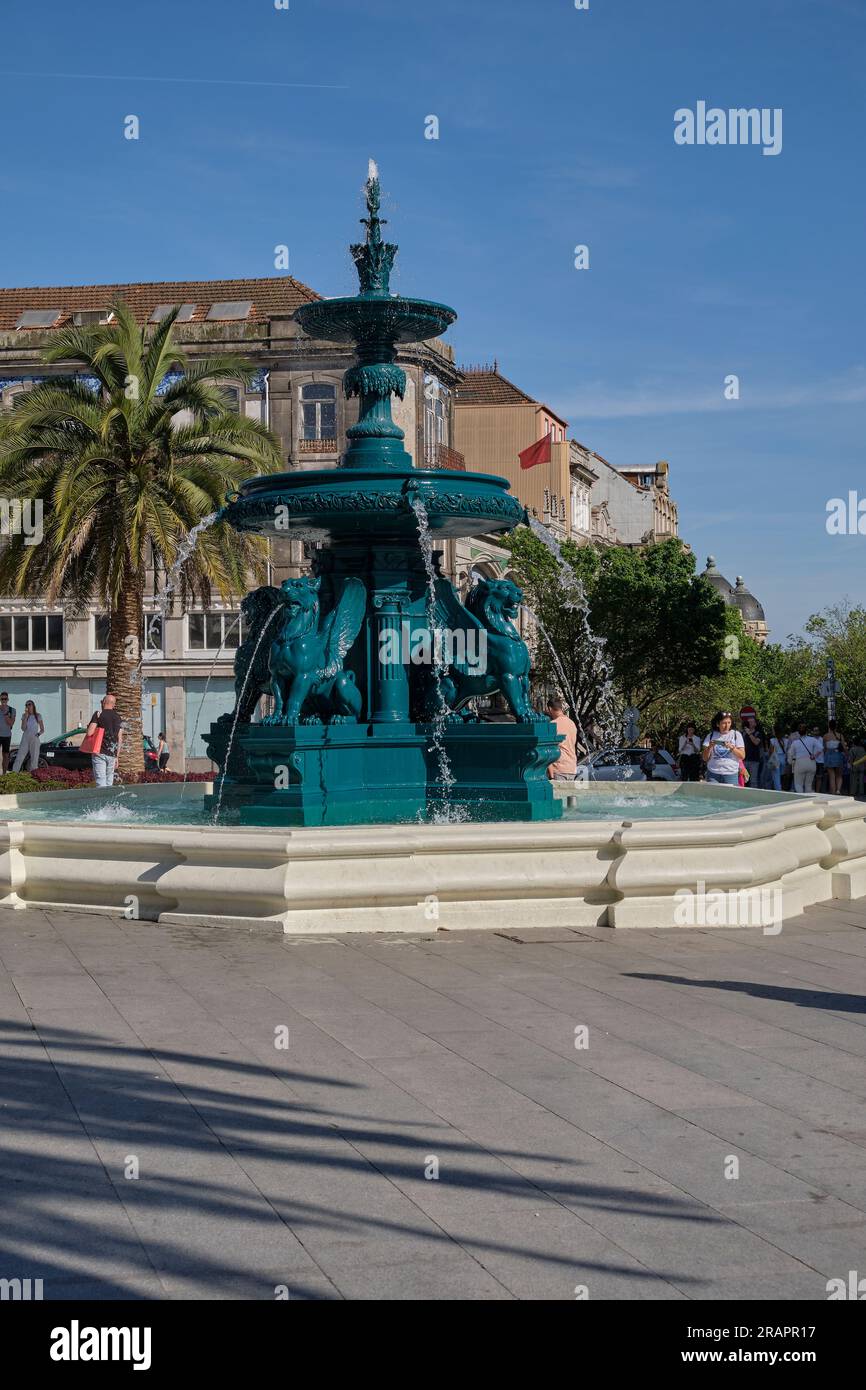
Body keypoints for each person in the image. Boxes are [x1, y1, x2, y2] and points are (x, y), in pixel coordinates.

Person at [86, 694, 124, 787]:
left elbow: (89, 733)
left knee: (100, 781)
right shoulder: (118, 718)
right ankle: (109, 801)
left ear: (103, 703)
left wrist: (89, 726)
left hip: (99, 752)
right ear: (114, 705)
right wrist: (117, 757)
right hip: (112, 754)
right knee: (109, 782)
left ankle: (102, 801)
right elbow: (120, 739)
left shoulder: (98, 714)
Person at [702, 710, 745, 785]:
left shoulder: (736, 735)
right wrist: (710, 747)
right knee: (713, 796)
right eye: (724, 723)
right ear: (717, 724)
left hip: (731, 774)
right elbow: (705, 758)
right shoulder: (710, 736)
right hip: (713, 773)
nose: (727, 726)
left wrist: (732, 748)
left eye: (729, 723)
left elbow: (742, 756)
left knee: (730, 796)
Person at [546, 697, 578, 779]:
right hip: (572, 768)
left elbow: (548, 749)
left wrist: (551, 774)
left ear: (550, 709)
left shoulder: (552, 725)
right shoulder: (572, 724)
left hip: (558, 769)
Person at [788, 722, 822, 793]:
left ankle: (801, 800)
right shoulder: (812, 739)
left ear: (798, 732)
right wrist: (814, 756)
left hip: (799, 764)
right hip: (811, 763)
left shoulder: (795, 743)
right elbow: (821, 748)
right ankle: (809, 800)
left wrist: (790, 762)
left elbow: (790, 754)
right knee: (808, 785)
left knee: (798, 784)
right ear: (806, 731)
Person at [12, 700, 43, 771]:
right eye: (26, 705)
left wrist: (38, 734)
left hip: (34, 737)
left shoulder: (38, 715)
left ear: (33, 706)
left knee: (34, 758)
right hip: (25, 737)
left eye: (29, 704)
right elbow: (23, 728)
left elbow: (42, 729)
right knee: (19, 757)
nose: (28, 706)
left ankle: (34, 776)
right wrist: (26, 717)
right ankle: (14, 773)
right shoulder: (24, 715)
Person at [740, 706, 767, 789]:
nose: (750, 723)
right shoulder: (743, 733)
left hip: (754, 760)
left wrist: (749, 734)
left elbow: (756, 742)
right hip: (745, 760)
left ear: (755, 724)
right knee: (743, 779)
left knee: (754, 780)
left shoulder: (758, 733)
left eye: (752, 722)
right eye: (749, 722)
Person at [822, 720, 847, 795]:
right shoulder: (840, 735)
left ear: (829, 726)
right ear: (836, 726)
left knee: (831, 776)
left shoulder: (825, 736)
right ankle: (838, 790)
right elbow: (844, 747)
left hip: (829, 756)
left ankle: (833, 791)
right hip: (838, 755)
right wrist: (847, 755)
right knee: (839, 775)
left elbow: (824, 748)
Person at [766, 725, 787, 793]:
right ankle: (783, 789)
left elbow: (771, 752)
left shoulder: (773, 740)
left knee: (776, 777)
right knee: (782, 776)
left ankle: (778, 791)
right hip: (783, 759)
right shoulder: (787, 740)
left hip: (776, 759)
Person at [0, 692, 16, 773]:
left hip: (7, 736)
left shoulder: (12, 710)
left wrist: (5, 714)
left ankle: (4, 774)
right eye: (2, 699)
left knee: (5, 755)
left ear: (8, 699)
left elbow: (11, 723)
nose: (3, 700)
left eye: (5, 699)